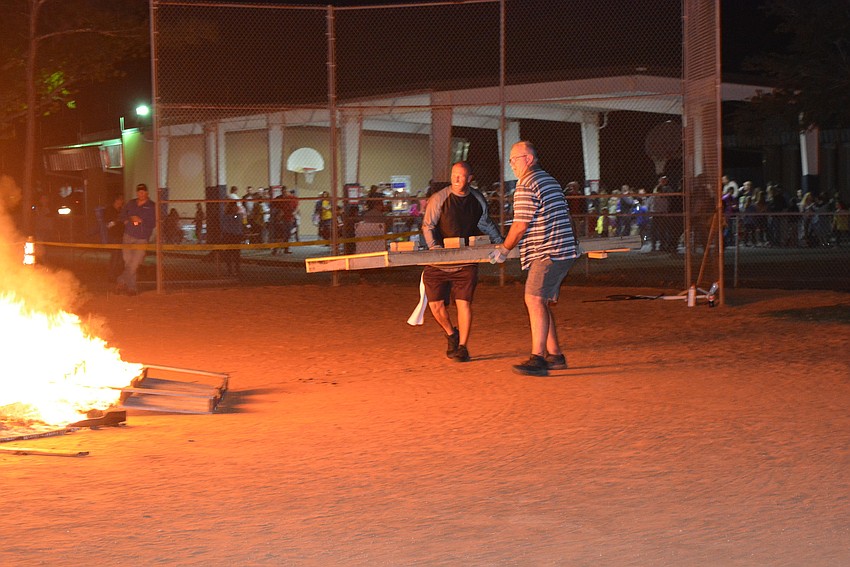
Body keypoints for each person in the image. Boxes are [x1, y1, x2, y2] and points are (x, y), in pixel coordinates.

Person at [489, 141, 579, 377]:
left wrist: (504, 250)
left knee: (533, 299)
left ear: (528, 159)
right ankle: (555, 355)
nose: (512, 165)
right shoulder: (548, 179)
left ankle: (538, 358)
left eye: (514, 159)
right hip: (562, 250)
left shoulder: (526, 184)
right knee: (541, 301)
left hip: (548, 251)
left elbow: (520, 225)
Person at [421, 161, 503, 362]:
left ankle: (463, 347)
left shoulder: (477, 199)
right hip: (438, 261)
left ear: (470, 178)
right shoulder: (439, 199)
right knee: (436, 306)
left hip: (466, 260)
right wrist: (435, 249)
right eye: (454, 175)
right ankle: (451, 334)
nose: (457, 179)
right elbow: (428, 226)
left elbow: (485, 223)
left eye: (462, 176)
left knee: (463, 304)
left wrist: (501, 243)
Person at [116, 183, 156, 295]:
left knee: (134, 263)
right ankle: (132, 288)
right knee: (128, 262)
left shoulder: (152, 206)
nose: (141, 194)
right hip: (128, 236)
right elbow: (122, 215)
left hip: (142, 238)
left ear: (147, 193)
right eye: (139, 192)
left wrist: (141, 221)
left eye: (143, 192)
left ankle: (121, 281)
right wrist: (127, 220)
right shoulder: (131, 203)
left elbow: (154, 222)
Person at [104, 194, 125, 280]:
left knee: (120, 257)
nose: (122, 202)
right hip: (114, 236)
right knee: (115, 256)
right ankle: (111, 275)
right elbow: (108, 224)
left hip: (121, 236)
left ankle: (117, 275)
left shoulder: (121, 211)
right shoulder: (109, 210)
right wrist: (116, 221)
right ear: (116, 200)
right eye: (120, 200)